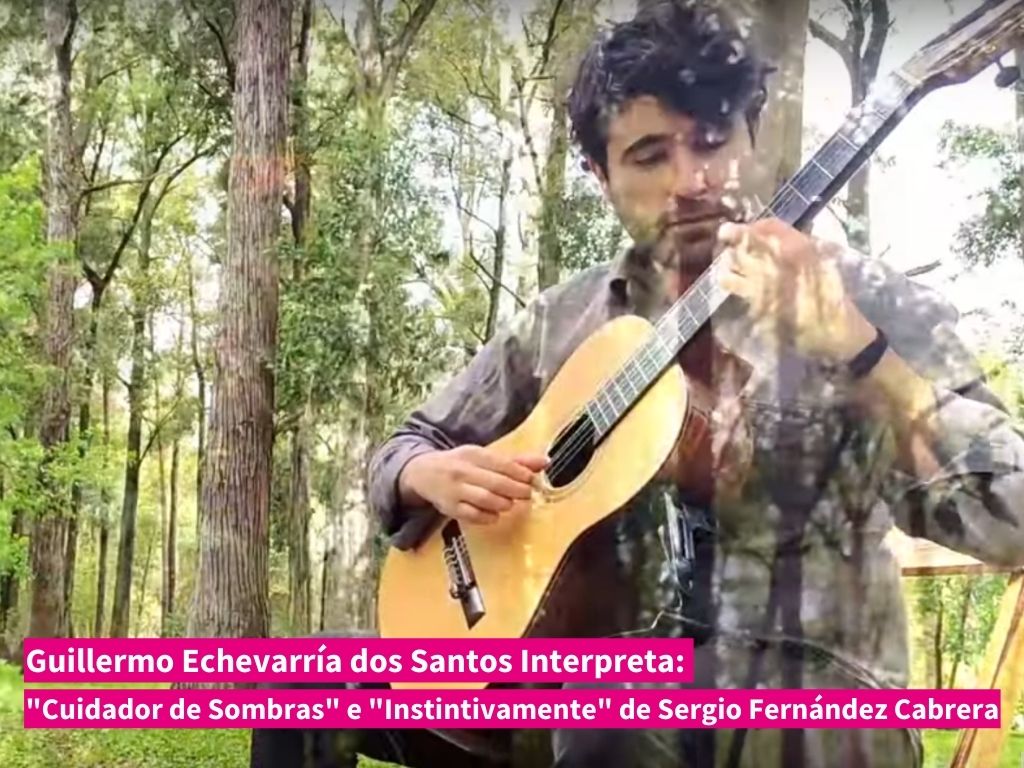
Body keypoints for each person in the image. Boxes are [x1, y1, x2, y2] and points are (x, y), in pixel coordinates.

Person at [251, 1, 1024, 766]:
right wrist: (428, 473)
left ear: (753, 134)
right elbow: (408, 444)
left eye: (714, 140)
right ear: (599, 173)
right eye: (650, 155)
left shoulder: (867, 301)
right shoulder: (567, 318)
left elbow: (1012, 517)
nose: (692, 181)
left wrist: (859, 349)